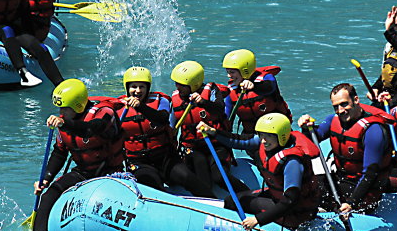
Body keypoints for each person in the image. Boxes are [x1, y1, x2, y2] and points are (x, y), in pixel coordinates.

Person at [29, 79, 125, 231]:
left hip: (112, 173)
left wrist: (65, 124)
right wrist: (46, 178)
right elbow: (59, 153)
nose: (61, 112)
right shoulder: (64, 122)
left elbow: (90, 129)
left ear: (78, 106)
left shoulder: (105, 113)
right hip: (84, 172)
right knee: (48, 195)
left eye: (65, 109)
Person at [197, 113, 321, 230]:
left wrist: (257, 219)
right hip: (276, 197)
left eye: (268, 136)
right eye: (261, 135)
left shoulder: (292, 162)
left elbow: (289, 200)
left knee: (236, 203)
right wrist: (213, 132)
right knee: (231, 200)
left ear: (282, 135)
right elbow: (239, 141)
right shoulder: (269, 143)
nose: (263, 140)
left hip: (295, 213)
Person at [298, 83, 394, 215]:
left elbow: (370, 174)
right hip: (341, 179)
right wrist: (306, 127)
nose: (340, 110)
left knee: (314, 195)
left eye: (344, 104)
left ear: (356, 100)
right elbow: (315, 137)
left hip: (366, 190)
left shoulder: (373, 130)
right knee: (306, 185)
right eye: (335, 106)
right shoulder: (334, 120)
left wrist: (351, 203)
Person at [118, 66, 214, 197]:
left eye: (142, 87)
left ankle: (218, 207)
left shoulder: (161, 101)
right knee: (152, 184)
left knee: (189, 179)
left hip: (165, 159)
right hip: (139, 163)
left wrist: (141, 107)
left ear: (148, 88)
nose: (138, 91)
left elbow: (162, 119)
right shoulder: (118, 108)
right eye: (134, 86)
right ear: (127, 88)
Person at [170, 60, 250, 195]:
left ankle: (249, 195)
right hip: (193, 147)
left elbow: (219, 109)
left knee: (219, 177)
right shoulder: (176, 98)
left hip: (216, 144)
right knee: (203, 177)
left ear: (193, 84)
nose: (178, 87)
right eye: (177, 83)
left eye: (182, 85)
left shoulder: (212, 91)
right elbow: (172, 125)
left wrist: (203, 102)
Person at [222, 49, 292, 135]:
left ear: (245, 70)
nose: (229, 76)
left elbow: (270, 87)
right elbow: (227, 116)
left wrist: (253, 86)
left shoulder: (267, 78)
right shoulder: (232, 90)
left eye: (232, 72)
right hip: (251, 134)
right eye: (227, 72)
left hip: (276, 133)